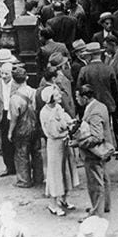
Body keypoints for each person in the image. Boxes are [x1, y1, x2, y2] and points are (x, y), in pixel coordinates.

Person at [40, 85, 79, 216]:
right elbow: (53, 133)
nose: (60, 96)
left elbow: (66, 119)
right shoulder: (45, 113)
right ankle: (53, 204)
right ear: (50, 98)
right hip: (55, 146)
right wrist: (68, 129)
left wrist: (71, 123)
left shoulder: (58, 108)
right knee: (55, 174)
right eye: (57, 95)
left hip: (64, 144)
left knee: (66, 171)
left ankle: (64, 198)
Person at [75, 84, 113, 216]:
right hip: (104, 149)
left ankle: (97, 211)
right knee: (103, 178)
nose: (77, 99)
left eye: (77, 96)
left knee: (95, 183)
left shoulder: (94, 112)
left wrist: (78, 142)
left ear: (85, 97)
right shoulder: (100, 106)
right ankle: (105, 206)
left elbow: (97, 137)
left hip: (94, 153)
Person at [7, 68, 44, 189]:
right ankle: (39, 178)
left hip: (22, 129)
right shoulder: (35, 92)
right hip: (35, 127)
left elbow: (14, 118)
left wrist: (10, 132)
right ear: (26, 78)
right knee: (36, 153)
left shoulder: (14, 98)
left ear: (14, 81)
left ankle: (24, 180)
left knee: (21, 155)